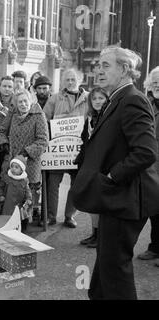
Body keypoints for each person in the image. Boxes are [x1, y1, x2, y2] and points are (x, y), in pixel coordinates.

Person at [70, 47, 159, 300]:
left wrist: (112, 177)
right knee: (106, 265)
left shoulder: (133, 99)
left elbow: (146, 152)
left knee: (115, 268)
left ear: (124, 69)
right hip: (117, 200)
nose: (98, 69)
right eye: (98, 64)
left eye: (106, 65)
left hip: (125, 200)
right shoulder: (117, 98)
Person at [42, 68, 89, 228]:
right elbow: (44, 119)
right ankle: (51, 216)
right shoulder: (55, 98)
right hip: (58, 148)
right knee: (53, 183)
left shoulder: (88, 98)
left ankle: (69, 216)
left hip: (78, 148)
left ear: (80, 80)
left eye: (73, 79)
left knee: (76, 184)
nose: (70, 82)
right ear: (63, 82)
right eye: (67, 79)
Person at [0, 89, 48, 221]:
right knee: (11, 193)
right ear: (16, 104)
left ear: (30, 101)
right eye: (20, 102)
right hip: (12, 160)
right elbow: (2, 130)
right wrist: (4, 143)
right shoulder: (12, 114)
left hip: (30, 162)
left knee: (27, 194)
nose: (23, 104)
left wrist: (26, 152)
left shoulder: (38, 115)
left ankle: (25, 221)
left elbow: (43, 140)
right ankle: (11, 220)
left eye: (25, 101)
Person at [74, 87, 109, 248]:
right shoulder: (89, 118)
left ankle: (101, 235)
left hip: (103, 165)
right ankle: (94, 233)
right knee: (91, 201)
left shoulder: (109, 117)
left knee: (100, 203)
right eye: (94, 99)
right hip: (89, 164)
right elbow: (84, 141)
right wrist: (80, 160)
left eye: (101, 98)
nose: (97, 101)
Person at [136, 66, 159, 265]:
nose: (157, 84)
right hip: (152, 165)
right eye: (155, 80)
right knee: (154, 209)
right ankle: (155, 247)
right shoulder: (147, 102)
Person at [0, 155, 32, 233]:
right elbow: (0, 186)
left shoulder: (24, 180)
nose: (13, 169)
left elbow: (27, 190)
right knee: (6, 217)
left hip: (19, 204)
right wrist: (1, 195)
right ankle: (6, 230)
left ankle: (19, 230)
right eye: (12, 166)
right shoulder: (6, 177)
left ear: (21, 170)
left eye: (16, 167)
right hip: (8, 203)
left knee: (18, 217)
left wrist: (28, 198)